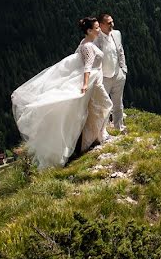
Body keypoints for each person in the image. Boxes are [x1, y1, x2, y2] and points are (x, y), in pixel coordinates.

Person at [11, 17, 113, 169]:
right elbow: (87, 66)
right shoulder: (89, 47)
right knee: (105, 104)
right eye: (97, 28)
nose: (99, 30)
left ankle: (95, 137)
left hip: (95, 79)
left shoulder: (84, 43)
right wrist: (85, 83)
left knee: (95, 109)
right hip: (93, 81)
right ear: (89, 31)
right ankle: (96, 137)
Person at [95, 12, 128, 132]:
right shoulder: (96, 37)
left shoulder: (117, 34)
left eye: (112, 22)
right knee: (103, 105)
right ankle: (102, 130)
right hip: (103, 77)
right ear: (101, 24)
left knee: (118, 104)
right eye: (109, 23)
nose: (112, 25)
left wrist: (123, 70)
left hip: (118, 74)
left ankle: (119, 127)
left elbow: (120, 51)